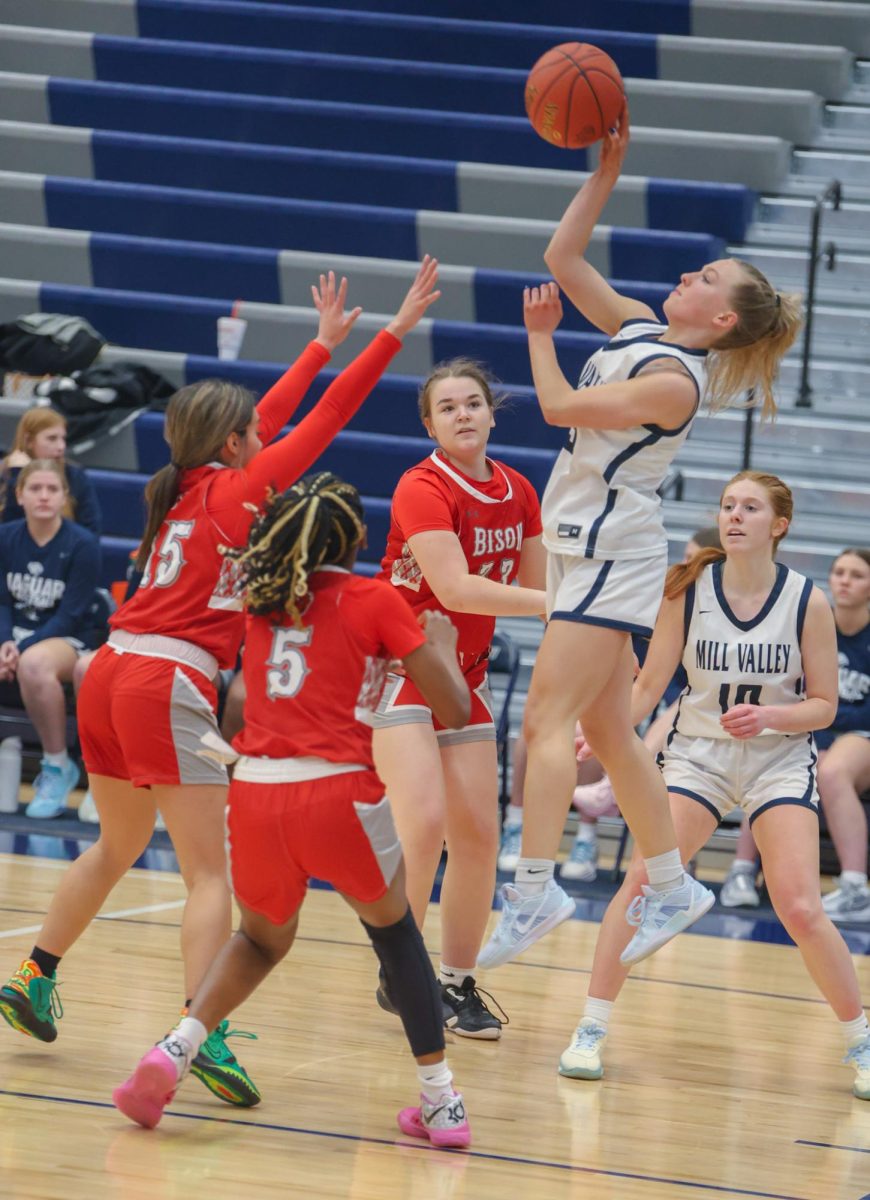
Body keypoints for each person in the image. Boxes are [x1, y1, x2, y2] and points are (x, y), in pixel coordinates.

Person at [0, 262, 440, 1111]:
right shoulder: (240, 491)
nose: (259, 435)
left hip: (108, 669)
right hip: (163, 679)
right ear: (236, 445)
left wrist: (316, 347)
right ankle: (202, 1033)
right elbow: (328, 419)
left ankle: (33, 974)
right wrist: (390, 333)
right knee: (211, 877)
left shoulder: (183, 487)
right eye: (251, 432)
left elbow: (265, 417)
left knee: (115, 844)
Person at [478, 108, 802, 971]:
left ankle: (536, 885)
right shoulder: (640, 331)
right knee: (612, 735)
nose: (689, 275)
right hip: (590, 544)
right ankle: (671, 882)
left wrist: (541, 342)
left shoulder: (675, 383)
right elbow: (563, 261)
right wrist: (604, 175)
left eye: (706, 278)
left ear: (722, 319)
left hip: (612, 553)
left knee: (544, 725)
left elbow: (556, 408)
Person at [113, 473, 474, 1147]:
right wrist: (445, 649)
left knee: (259, 939)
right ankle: (442, 1103)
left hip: (254, 791)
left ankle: (174, 1050)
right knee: (394, 934)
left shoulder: (262, 605)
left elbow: (243, 705)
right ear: (359, 537)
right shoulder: (375, 598)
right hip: (336, 790)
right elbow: (452, 710)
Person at [558, 470, 870, 1104]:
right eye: (728, 505)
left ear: (778, 525)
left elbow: (825, 707)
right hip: (698, 756)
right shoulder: (688, 590)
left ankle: (862, 1041)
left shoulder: (808, 600)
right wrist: (608, 729)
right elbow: (649, 686)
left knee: (802, 908)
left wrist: (772, 716)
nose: (734, 516)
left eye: (749, 508)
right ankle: (590, 1028)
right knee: (643, 881)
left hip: (778, 759)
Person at [371, 358, 546, 1039]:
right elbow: (457, 591)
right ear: (430, 424)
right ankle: (400, 974)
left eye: (473, 402)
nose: (464, 414)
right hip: (400, 662)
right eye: (448, 408)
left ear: (493, 413)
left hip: (462, 674)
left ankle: (456, 982)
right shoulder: (421, 486)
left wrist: (573, 603)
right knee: (421, 823)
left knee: (479, 834)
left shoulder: (520, 489)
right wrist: (566, 599)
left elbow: (532, 595)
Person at [500, 528, 724, 881]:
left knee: (618, 720)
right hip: (651, 706)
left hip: (700, 716)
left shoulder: (717, 613)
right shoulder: (665, 596)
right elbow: (639, 671)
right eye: (685, 555)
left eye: (694, 559)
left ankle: (591, 829)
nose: (684, 564)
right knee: (559, 720)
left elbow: (690, 689)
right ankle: (519, 825)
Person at [720, 547, 870, 916]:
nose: (845, 581)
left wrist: (826, 721)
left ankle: (855, 887)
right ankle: (741, 872)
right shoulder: (815, 621)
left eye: (857, 575)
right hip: (814, 729)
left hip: (860, 735)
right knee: (768, 760)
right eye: (839, 573)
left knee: (831, 772)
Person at [0, 459, 108, 817]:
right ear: (20, 494)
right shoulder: (5, 537)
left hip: (69, 638)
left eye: (52, 489)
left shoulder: (83, 544)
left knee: (34, 664)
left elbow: (70, 615)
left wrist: (21, 648)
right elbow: (1, 599)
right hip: (13, 638)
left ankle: (57, 766)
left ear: (64, 496)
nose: (43, 496)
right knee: (27, 657)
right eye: (35, 488)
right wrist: (5, 642)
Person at [1, 408, 101, 534]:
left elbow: (91, 532)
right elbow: (8, 532)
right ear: (29, 441)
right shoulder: (6, 473)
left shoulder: (74, 475)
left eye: (63, 439)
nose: (61, 447)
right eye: (52, 439)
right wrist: (17, 477)